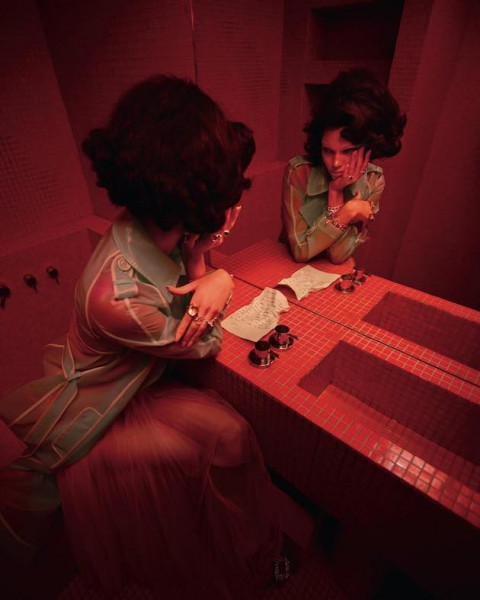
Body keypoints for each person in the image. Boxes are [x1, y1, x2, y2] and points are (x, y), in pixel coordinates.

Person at [0, 75, 281, 599]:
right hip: (96, 413)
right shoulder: (118, 297)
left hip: (135, 383)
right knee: (193, 457)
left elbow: (185, 300)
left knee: (233, 435)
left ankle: (245, 553)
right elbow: (203, 344)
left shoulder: (152, 223)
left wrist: (204, 257)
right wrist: (212, 271)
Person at [281, 68, 406, 264]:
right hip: (286, 268)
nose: (336, 163)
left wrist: (338, 198)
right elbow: (300, 251)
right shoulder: (299, 172)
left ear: (368, 148)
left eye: (347, 151)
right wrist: (347, 210)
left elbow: (337, 255)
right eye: (327, 150)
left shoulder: (374, 180)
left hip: (332, 273)